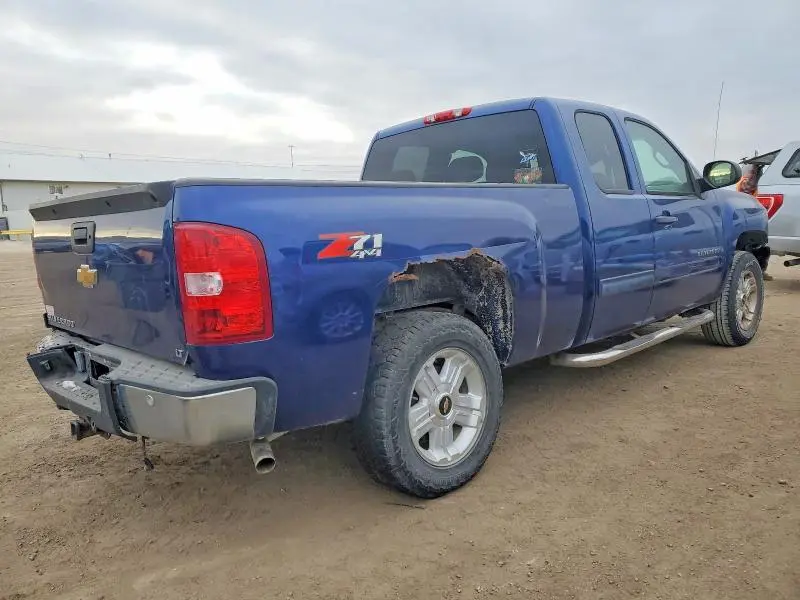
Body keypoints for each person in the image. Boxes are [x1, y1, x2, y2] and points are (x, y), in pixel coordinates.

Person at [736, 162, 773, 280]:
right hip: (748, 217)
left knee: (761, 247)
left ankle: (758, 271)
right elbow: (751, 185)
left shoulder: (747, 183)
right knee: (755, 247)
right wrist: (756, 169)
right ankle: (754, 272)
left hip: (753, 215)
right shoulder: (744, 182)